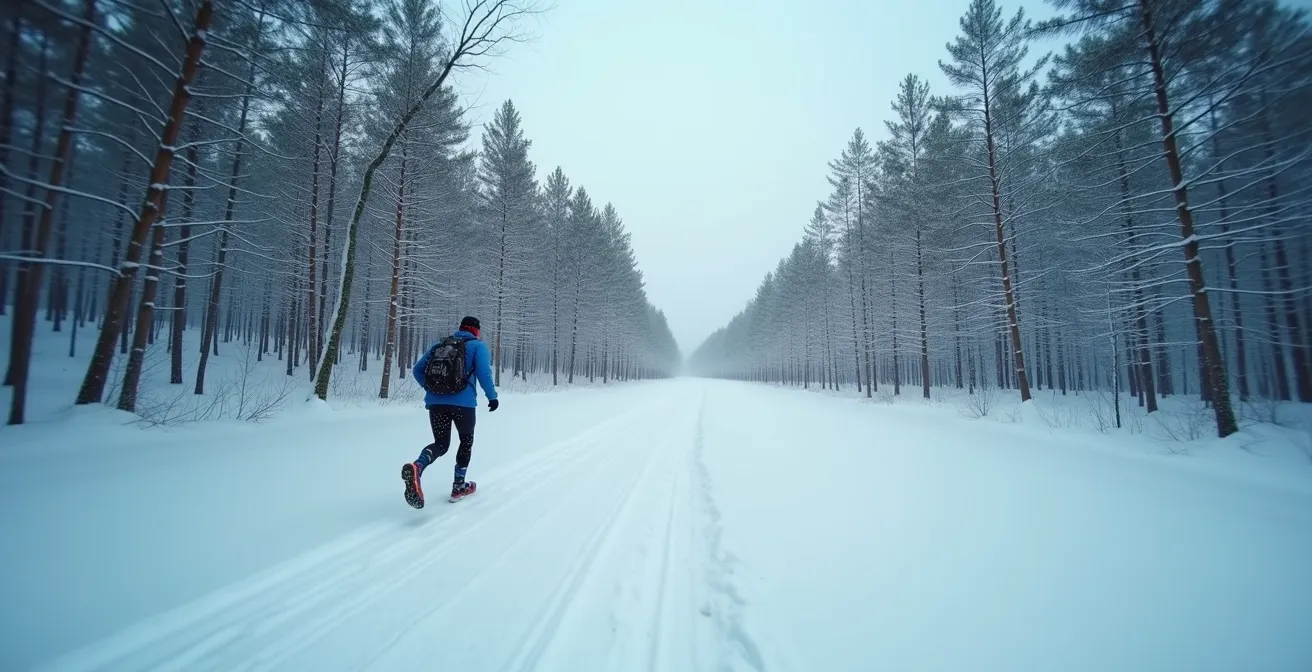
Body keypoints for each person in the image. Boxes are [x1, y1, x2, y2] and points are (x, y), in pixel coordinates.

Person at [402, 316, 499, 507]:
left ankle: (418, 466)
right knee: (466, 441)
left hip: (436, 404)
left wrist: (431, 389)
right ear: (476, 330)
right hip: (464, 405)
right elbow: (484, 374)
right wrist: (492, 397)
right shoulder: (478, 347)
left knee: (441, 444)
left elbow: (417, 369)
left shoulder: (440, 345)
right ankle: (458, 486)